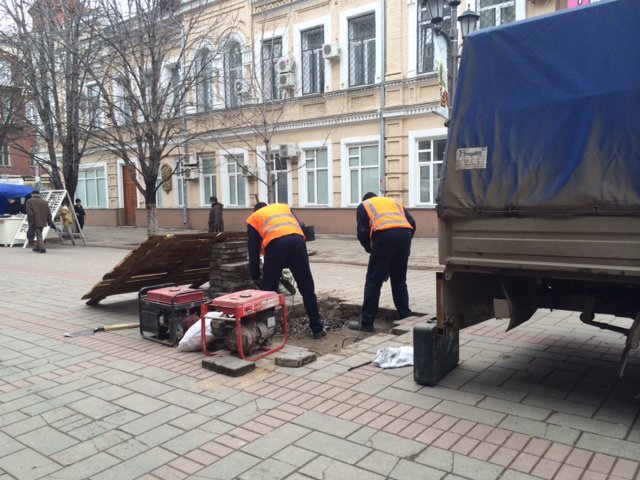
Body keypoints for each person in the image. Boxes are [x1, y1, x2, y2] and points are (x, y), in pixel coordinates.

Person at [246, 202, 326, 339]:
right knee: (307, 287)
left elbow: (253, 251)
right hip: (298, 241)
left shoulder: (253, 218)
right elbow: (301, 225)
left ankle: (267, 331)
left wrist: (255, 275)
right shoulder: (283, 207)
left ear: (255, 211)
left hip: (275, 245)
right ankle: (317, 328)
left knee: (269, 291)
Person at [348, 192, 416, 332]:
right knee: (399, 280)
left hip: (384, 237)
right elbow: (412, 223)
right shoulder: (394, 203)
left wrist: (370, 249)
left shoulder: (364, 205)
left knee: (373, 281)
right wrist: (403, 241)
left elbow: (362, 232)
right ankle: (405, 315)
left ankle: (366, 323)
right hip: (405, 236)